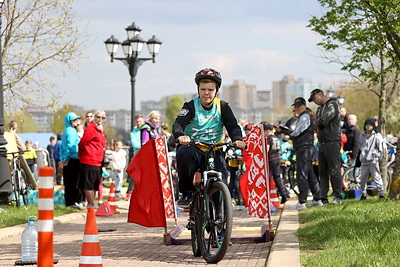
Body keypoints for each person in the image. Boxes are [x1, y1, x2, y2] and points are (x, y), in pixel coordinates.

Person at [172, 68, 246, 207]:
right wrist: (180, 136)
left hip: (214, 149)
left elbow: (232, 126)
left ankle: (220, 218)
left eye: (210, 90)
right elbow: (178, 124)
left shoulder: (222, 107)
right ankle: (186, 194)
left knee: (221, 181)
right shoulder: (190, 106)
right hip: (193, 148)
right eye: (203, 89)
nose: (206, 93)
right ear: (198, 90)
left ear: (216, 91)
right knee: (183, 153)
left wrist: (238, 139)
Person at [275, 97, 322, 210]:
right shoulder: (305, 116)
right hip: (306, 148)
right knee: (310, 175)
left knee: (302, 175)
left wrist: (283, 130)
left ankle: (302, 202)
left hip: (304, 148)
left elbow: (296, 132)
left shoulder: (305, 116)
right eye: (295, 106)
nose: (296, 108)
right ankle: (317, 199)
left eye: (298, 106)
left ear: (304, 106)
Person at [309, 88, 342, 205]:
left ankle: (338, 196)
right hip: (322, 142)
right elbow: (318, 123)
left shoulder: (333, 104)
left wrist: (320, 122)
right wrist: (319, 122)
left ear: (320, 95)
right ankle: (323, 198)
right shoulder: (319, 109)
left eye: (314, 99)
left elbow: (324, 120)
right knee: (322, 172)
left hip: (332, 140)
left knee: (334, 170)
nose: (314, 101)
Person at [78, 110, 107, 209]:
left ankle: (92, 203)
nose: (100, 119)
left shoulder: (100, 130)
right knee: (88, 183)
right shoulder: (91, 128)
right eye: (98, 117)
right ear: (95, 117)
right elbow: (82, 143)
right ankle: (90, 204)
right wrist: (82, 154)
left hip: (98, 161)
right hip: (89, 159)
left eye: (103, 118)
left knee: (95, 184)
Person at [60, 112, 83, 208]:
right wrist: (66, 159)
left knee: (70, 181)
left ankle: (71, 202)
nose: (76, 121)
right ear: (69, 121)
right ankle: (72, 202)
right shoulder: (71, 131)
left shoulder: (67, 130)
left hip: (70, 158)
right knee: (73, 182)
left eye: (76, 119)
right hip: (72, 159)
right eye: (73, 120)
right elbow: (70, 146)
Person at [263, 123, 289, 204]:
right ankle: (283, 194)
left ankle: (269, 196)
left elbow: (266, 150)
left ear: (267, 131)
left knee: (269, 178)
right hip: (277, 158)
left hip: (270, 159)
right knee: (277, 177)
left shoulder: (269, 138)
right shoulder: (276, 137)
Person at [358, 118, 384, 199]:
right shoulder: (361, 135)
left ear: (373, 126)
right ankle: (363, 194)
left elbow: (381, 148)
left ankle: (381, 193)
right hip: (364, 161)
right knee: (362, 179)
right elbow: (360, 146)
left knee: (376, 177)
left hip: (373, 160)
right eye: (367, 125)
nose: (368, 127)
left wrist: (377, 157)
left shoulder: (377, 135)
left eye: (370, 125)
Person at [125, 114, 145, 201]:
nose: (139, 123)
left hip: (146, 156)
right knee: (135, 175)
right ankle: (129, 192)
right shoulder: (133, 132)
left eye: (140, 121)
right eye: (137, 121)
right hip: (137, 156)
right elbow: (135, 145)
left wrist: (142, 143)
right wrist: (143, 144)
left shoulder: (146, 130)